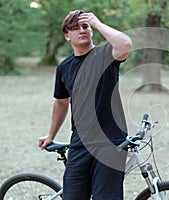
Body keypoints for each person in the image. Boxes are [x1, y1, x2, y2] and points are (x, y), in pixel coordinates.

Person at [38, 10, 132, 200]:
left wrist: (96, 22)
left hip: (110, 142)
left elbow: (125, 44)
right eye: (74, 28)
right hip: (80, 144)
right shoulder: (64, 67)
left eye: (85, 26)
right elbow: (61, 102)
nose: (81, 30)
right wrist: (51, 135)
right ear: (67, 36)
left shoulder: (106, 54)